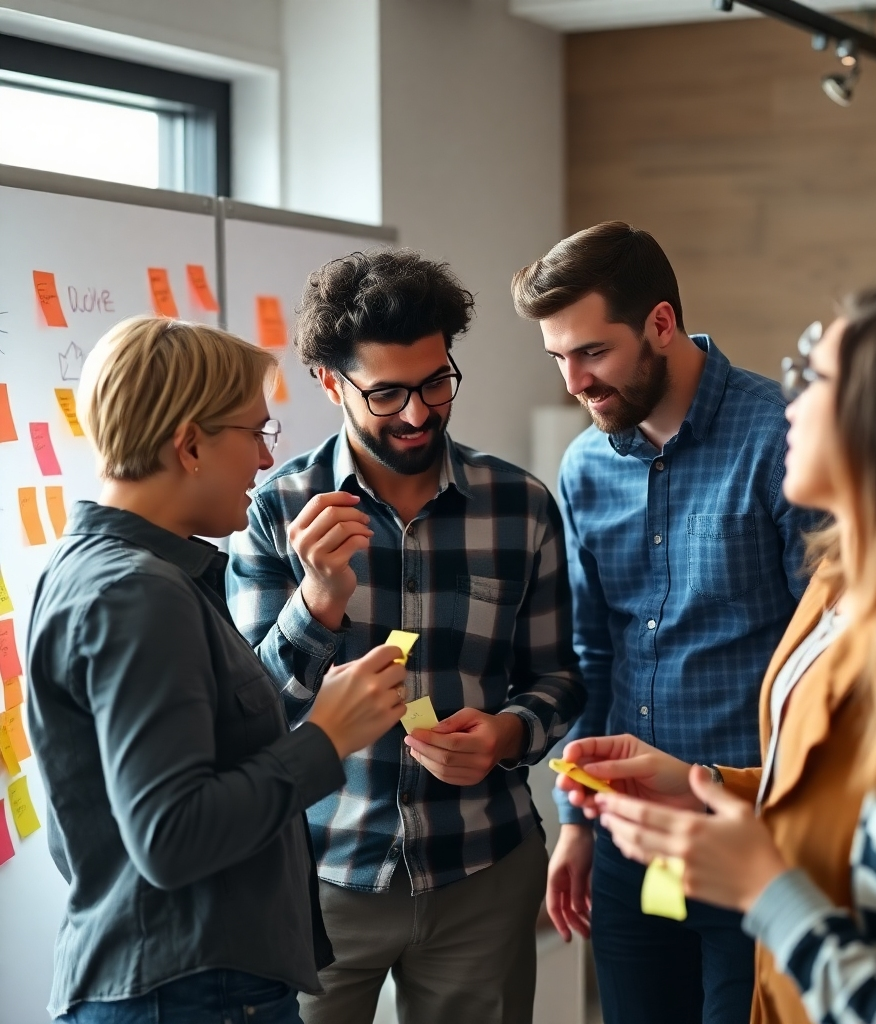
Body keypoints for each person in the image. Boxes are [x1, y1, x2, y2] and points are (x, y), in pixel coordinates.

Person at [567, 282, 876, 1024]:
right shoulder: (837, 589)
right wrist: (702, 781)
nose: (792, 398)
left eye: (815, 375)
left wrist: (766, 892)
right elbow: (839, 792)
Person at [227, 249, 585, 1024]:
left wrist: (508, 732)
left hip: (481, 869)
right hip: (318, 877)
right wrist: (319, 601)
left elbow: (561, 676)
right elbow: (251, 714)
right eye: (387, 393)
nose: (419, 413)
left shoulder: (520, 506)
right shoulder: (273, 511)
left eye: (435, 383)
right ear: (329, 382)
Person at [27, 317, 408, 1024]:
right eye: (256, 434)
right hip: (192, 995)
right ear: (190, 442)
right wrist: (325, 737)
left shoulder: (107, 572)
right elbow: (171, 837)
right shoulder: (136, 593)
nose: (267, 463)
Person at [511, 221, 822, 1024]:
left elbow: (825, 653)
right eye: (559, 359)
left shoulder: (785, 438)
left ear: (659, 323)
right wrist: (576, 823)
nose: (575, 381)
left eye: (593, 352)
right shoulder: (583, 465)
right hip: (626, 840)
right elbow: (594, 653)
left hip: (750, 834)